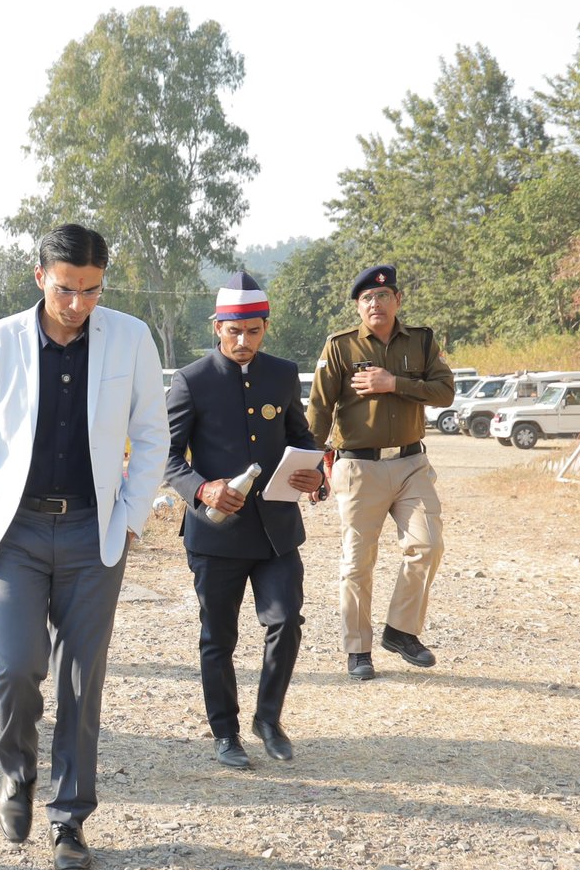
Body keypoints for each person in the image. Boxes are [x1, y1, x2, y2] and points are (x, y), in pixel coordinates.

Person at [0, 224, 168, 870]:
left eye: (91, 290)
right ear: (40, 276)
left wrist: (130, 520)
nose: (78, 304)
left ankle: (70, 818)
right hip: (14, 532)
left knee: (80, 677)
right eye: (66, 288)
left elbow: (152, 435)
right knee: (18, 666)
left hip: (94, 533)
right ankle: (17, 772)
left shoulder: (130, 338)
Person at [164, 272, 325, 770]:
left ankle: (268, 719)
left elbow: (302, 437)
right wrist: (202, 489)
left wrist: (314, 474)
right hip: (215, 533)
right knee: (219, 638)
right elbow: (168, 458)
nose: (243, 341)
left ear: (264, 329)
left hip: (276, 531)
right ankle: (225, 732)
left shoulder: (282, 374)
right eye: (234, 331)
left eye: (253, 332)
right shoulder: (192, 380)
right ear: (217, 327)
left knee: (286, 620)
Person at [306, 264, 455, 681]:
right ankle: (358, 649)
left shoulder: (422, 342)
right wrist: (311, 465)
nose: (376, 303)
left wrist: (395, 383)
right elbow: (319, 409)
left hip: (411, 463)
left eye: (384, 296)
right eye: (367, 298)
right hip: (359, 466)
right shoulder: (340, 346)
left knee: (427, 545)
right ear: (358, 306)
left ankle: (401, 631)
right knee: (358, 561)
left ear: (397, 300)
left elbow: (445, 392)